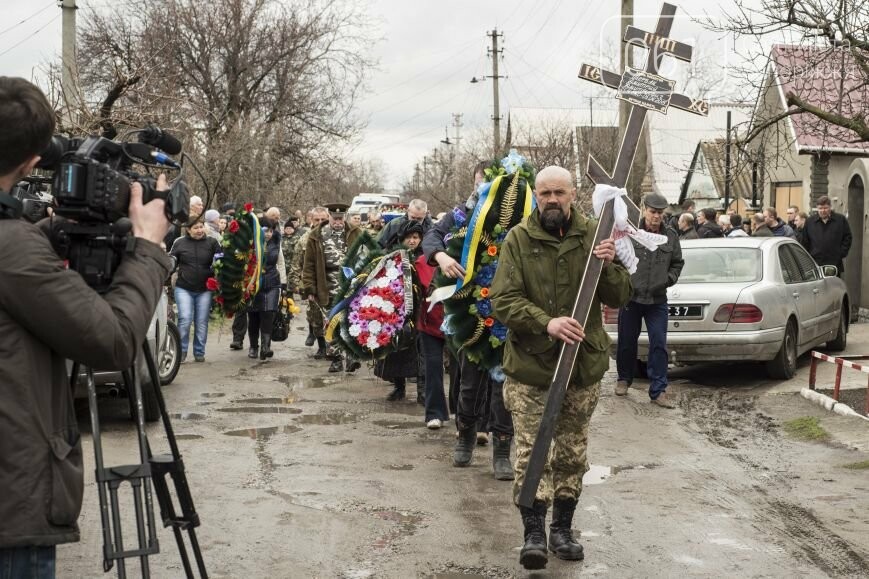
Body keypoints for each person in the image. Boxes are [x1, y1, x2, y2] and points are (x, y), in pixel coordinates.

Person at [0, 76, 171, 576]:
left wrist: (49, 232)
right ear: (34, 160)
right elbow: (114, 341)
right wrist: (148, 249)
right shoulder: (14, 250)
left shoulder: (18, 245)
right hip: (11, 511)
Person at [491, 165, 632, 570]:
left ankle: (562, 529)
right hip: (531, 367)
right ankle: (533, 532)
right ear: (536, 195)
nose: (552, 199)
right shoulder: (519, 239)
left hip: (581, 368)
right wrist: (545, 322)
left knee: (571, 452)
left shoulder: (595, 234)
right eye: (545, 193)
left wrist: (609, 264)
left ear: (574, 194)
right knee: (533, 453)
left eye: (560, 193)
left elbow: (621, 295)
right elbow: (503, 299)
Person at [422, 162, 516, 479]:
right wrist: (442, 256)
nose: (484, 189)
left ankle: (502, 451)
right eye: (480, 183)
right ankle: (465, 438)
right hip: (470, 312)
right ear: (473, 184)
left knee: (504, 386)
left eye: (491, 184)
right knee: (469, 384)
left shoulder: (514, 218)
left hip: (507, 313)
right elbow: (432, 236)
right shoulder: (460, 216)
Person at [615, 192, 684, 408]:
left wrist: (668, 279)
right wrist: (623, 282)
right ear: (645, 210)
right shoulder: (631, 231)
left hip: (657, 299)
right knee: (626, 341)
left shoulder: (671, 236)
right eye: (653, 212)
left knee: (658, 344)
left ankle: (658, 390)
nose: (656, 217)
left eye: (660, 213)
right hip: (631, 297)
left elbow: (677, 263)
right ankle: (624, 379)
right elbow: (617, 259)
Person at [303, 203, 363, 372]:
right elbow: (309, 264)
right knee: (331, 322)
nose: (337, 221)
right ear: (329, 216)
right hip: (326, 285)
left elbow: (365, 257)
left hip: (350, 285)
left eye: (340, 218)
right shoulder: (316, 235)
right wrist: (309, 289)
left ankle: (351, 357)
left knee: (352, 320)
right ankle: (336, 358)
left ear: (345, 217)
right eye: (334, 218)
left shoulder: (356, 233)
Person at [375, 220, 425, 400]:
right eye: (409, 238)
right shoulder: (393, 256)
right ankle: (399, 387)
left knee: (420, 352)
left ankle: (422, 390)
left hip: (420, 311)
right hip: (396, 310)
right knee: (396, 350)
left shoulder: (425, 257)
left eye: (416, 237)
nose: (412, 241)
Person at [170, 218, 220, 362]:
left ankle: (199, 351)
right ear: (188, 229)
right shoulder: (179, 242)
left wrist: (220, 263)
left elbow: (220, 258)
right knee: (185, 318)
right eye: (196, 228)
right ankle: (181, 351)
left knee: (201, 320)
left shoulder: (212, 242)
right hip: (184, 287)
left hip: (205, 288)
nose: (199, 231)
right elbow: (172, 260)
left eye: (201, 227)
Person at [291, 206, 329, 354]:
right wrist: (294, 284)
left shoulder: (336, 237)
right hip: (313, 283)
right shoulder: (305, 239)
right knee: (316, 316)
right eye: (317, 219)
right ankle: (321, 346)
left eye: (323, 219)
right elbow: (297, 263)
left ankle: (335, 347)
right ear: (310, 220)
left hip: (332, 282)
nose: (320, 222)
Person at [247, 222, 286, 360]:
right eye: (265, 230)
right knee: (253, 316)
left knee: (268, 313)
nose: (269, 234)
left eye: (271, 231)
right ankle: (253, 346)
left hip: (272, 283)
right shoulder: (251, 243)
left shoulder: (276, 243)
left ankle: (265, 347)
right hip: (254, 283)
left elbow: (280, 263)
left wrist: (284, 283)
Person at [801, 196, 852, 277]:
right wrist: (809, 258)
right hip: (815, 263)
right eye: (820, 208)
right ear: (817, 208)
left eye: (825, 208)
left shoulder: (840, 220)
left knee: (834, 287)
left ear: (830, 207)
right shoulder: (810, 222)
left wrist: (841, 253)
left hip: (834, 263)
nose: (823, 211)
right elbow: (805, 241)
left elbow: (847, 237)